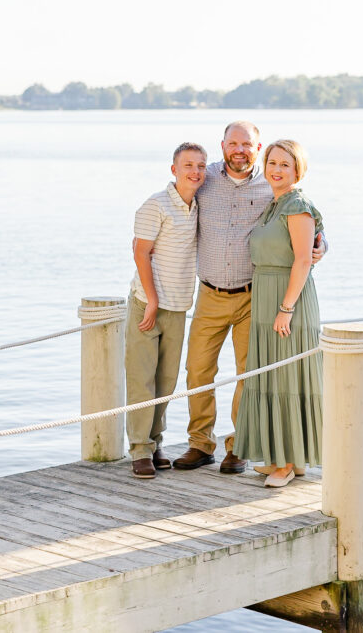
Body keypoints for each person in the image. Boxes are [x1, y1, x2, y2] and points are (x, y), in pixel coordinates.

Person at [173, 122, 326, 474]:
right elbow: (173, 198)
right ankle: (200, 444)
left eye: (247, 144)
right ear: (223, 145)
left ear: (258, 148)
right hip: (210, 293)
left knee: (250, 374)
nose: (239, 150)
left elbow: (307, 224)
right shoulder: (205, 179)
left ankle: (239, 445)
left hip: (252, 296)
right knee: (197, 369)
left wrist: (322, 245)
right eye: (233, 143)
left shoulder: (272, 183)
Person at [233, 139, 323, 488]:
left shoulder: (297, 205)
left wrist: (286, 308)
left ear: (298, 170)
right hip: (265, 296)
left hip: (288, 298)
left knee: (287, 378)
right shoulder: (274, 204)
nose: (276, 169)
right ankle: (286, 458)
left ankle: (286, 464)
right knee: (272, 378)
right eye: (272, 162)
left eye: (285, 164)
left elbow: (303, 260)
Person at [125, 142, 207, 479]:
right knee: (141, 379)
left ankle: (155, 442)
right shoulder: (155, 205)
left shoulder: (200, 206)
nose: (195, 172)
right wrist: (152, 300)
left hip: (179, 305)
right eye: (188, 165)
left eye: (200, 166)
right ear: (174, 169)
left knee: (166, 382)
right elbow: (140, 252)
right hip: (147, 304)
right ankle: (139, 449)